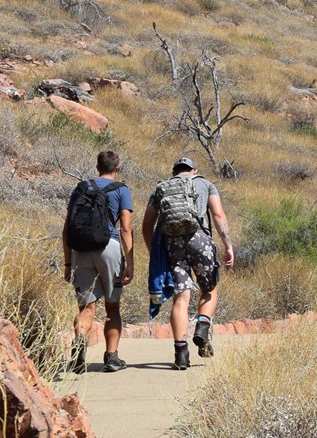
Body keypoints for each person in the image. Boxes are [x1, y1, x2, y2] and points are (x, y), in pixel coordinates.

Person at [141, 157, 234, 370]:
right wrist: (228, 245)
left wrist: (154, 251)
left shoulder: (161, 188)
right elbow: (218, 215)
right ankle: (202, 324)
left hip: (172, 245)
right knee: (209, 289)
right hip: (200, 239)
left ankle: (181, 353)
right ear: (194, 170)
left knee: (181, 297)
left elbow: (147, 225)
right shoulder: (205, 184)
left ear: (174, 172)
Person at [63, 150, 133, 373]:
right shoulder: (121, 189)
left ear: (97, 167)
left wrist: (67, 263)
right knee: (112, 307)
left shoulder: (81, 188)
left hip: (81, 250)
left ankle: (79, 344)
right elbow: (125, 228)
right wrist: (129, 262)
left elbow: (66, 229)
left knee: (86, 307)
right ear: (118, 168)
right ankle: (111, 357)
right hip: (109, 248)